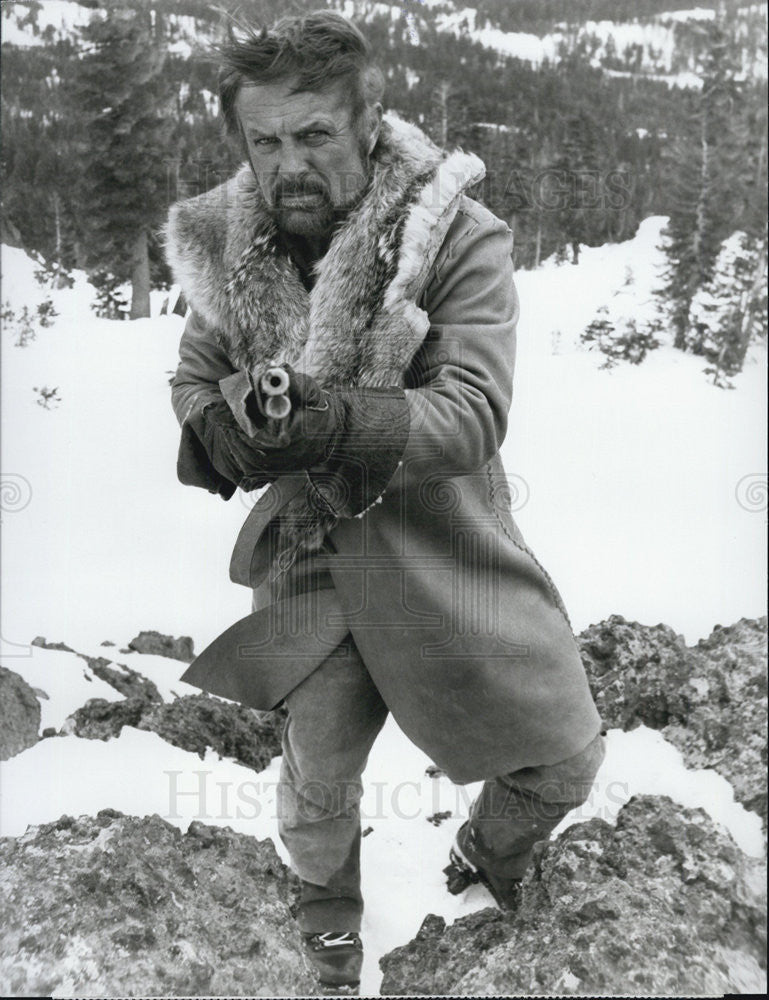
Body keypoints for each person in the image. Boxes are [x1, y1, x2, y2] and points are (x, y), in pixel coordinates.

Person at [166, 10, 604, 993]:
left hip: (442, 543)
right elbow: (195, 376)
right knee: (317, 776)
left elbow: (470, 410)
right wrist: (219, 429)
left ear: (367, 122)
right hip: (307, 560)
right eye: (266, 140)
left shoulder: (454, 234)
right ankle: (326, 919)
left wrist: (331, 423)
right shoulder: (228, 239)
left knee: (566, 753)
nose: (289, 165)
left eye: (313, 134)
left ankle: (489, 853)